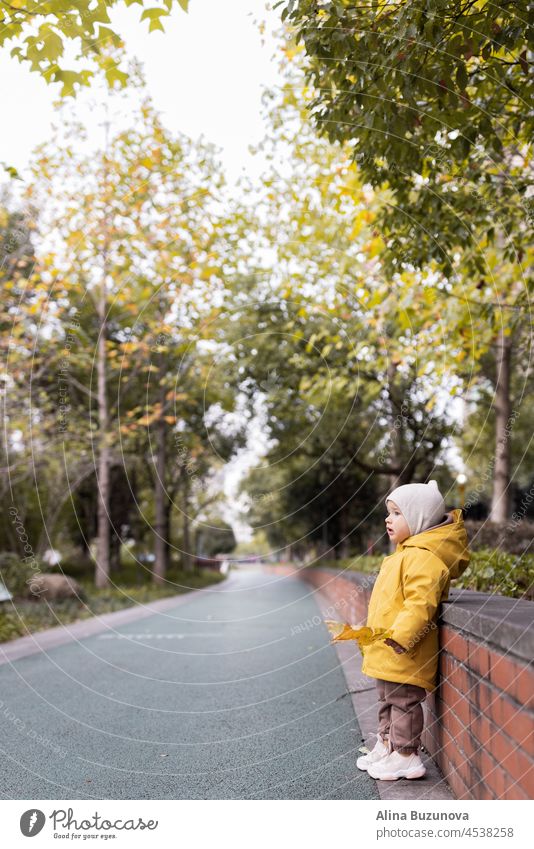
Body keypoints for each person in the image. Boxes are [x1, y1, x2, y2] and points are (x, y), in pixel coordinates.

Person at [356, 479, 470, 781]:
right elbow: (387, 603)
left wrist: (403, 635)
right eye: (388, 513)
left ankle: (407, 755)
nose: (387, 519)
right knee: (387, 698)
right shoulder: (403, 554)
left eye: (396, 513)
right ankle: (387, 744)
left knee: (403, 701)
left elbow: (421, 602)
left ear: (418, 519)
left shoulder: (423, 557)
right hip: (388, 648)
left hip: (406, 648)